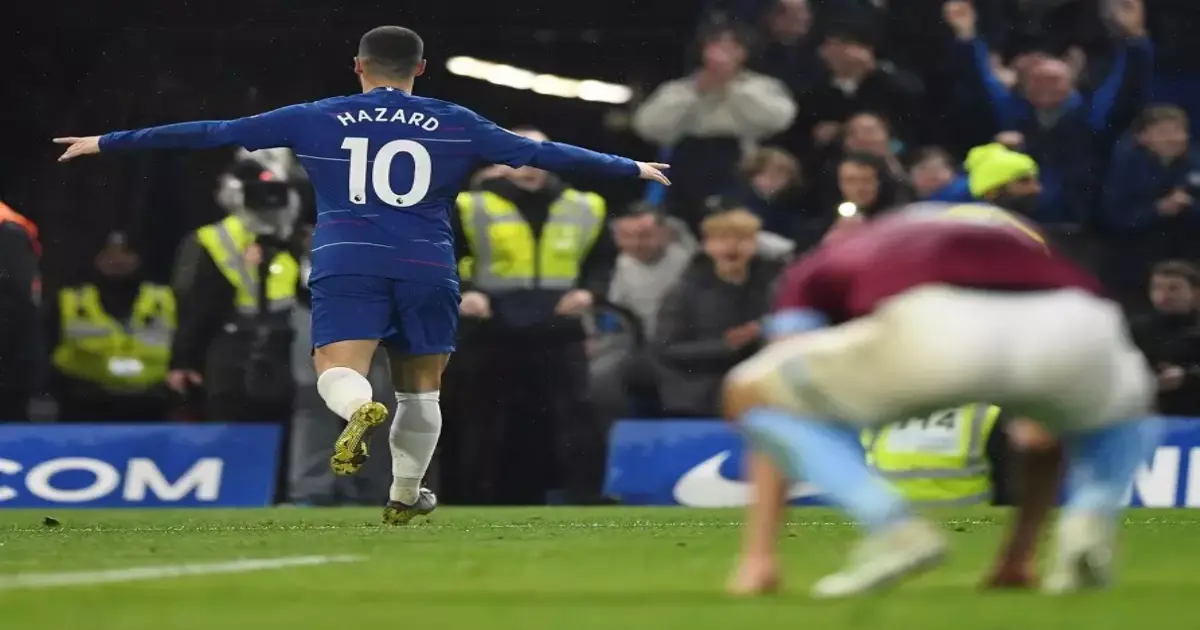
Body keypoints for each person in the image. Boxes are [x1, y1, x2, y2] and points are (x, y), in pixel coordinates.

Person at [54, 25, 670, 525]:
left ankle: (357, 407)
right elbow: (540, 153)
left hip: (349, 258)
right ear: (420, 68)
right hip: (427, 262)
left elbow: (215, 132)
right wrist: (630, 167)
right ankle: (405, 493)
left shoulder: (316, 116)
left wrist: (110, 141)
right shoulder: (455, 119)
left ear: (358, 67)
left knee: (337, 368)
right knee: (421, 391)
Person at [721, 201, 1162, 598]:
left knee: (753, 395)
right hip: (1075, 320)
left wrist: (759, 556)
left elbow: (783, 369)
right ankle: (1088, 517)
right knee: (1119, 413)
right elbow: (1039, 439)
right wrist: (1017, 556)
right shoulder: (1030, 252)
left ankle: (891, 525)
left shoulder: (838, 255)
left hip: (938, 322)